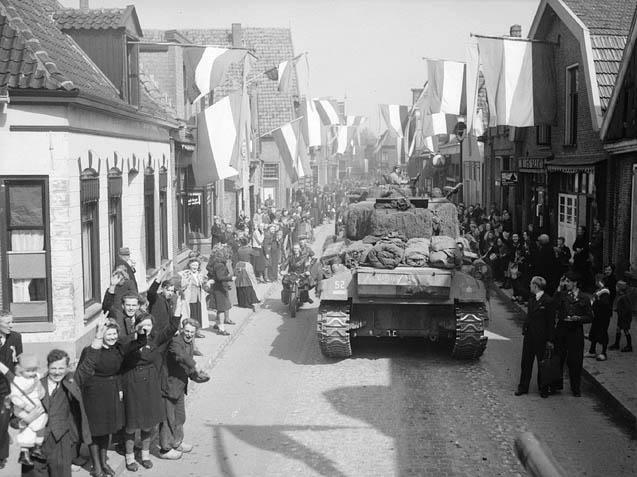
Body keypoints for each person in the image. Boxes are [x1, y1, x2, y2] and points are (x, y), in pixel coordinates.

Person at [77, 314, 147, 477]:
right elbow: (82, 373)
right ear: (101, 334)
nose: (112, 337)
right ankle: (96, 467)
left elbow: (140, 343)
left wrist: (140, 331)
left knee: (107, 429)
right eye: (109, 334)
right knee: (96, 430)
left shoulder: (118, 349)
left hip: (112, 391)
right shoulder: (90, 350)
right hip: (94, 393)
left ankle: (104, 463)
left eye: (115, 334)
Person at [119, 298, 183, 471]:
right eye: (142, 326)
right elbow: (119, 364)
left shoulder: (154, 340)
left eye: (148, 326)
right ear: (136, 326)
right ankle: (130, 457)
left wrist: (178, 309)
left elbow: (171, 329)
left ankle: (145, 455)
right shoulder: (126, 341)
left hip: (150, 386)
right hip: (131, 384)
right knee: (131, 424)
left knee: (148, 423)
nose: (145, 329)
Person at [21, 348, 96, 477]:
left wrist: (98, 339)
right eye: (53, 368)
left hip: (61, 441)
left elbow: (87, 366)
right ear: (47, 367)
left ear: (67, 368)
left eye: (61, 368)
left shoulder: (70, 384)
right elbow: (16, 419)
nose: (57, 372)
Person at [159, 319, 204, 459]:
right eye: (187, 331)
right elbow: (181, 357)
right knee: (167, 419)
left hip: (180, 386)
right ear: (182, 329)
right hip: (169, 386)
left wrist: (195, 376)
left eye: (192, 332)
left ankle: (177, 442)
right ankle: (165, 449)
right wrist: (195, 365)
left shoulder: (190, 342)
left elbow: (185, 366)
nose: (189, 334)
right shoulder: (175, 342)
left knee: (180, 417)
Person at [554, 272, 593, 396]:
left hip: (575, 331)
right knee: (559, 357)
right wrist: (559, 288)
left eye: (568, 282)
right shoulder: (562, 295)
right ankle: (556, 385)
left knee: (575, 360)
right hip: (562, 329)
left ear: (575, 283)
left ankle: (575, 388)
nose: (566, 284)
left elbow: (590, 317)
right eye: (565, 282)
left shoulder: (584, 297)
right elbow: (553, 305)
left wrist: (579, 318)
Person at [515, 276, 555, 398]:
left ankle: (543, 388)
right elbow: (529, 315)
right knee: (526, 363)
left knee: (542, 363)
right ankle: (523, 387)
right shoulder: (532, 298)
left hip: (541, 338)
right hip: (529, 336)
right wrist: (514, 278)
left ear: (536, 286)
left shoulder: (548, 301)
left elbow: (551, 322)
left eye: (531, 284)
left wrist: (550, 340)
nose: (529, 286)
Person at [10, 354, 48, 466]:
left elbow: (40, 387)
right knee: (30, 426)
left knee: (38, 424)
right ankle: (28, 450)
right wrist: (25, 406)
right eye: (28, 371)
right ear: (20, 370)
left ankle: (34, 448)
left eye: (33, 370)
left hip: (35, 405)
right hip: (23, 409)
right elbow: (15, 397)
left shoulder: (35, 377)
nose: (31, 373)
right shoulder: (17, 380)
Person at [0, 311, 22, 469]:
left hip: (6, 388)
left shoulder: (15, 337)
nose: (11, 325)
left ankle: (1, 456)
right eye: (7, 323)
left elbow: (19, 361)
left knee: (2, 421)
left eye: (11, 322)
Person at [206, 245, 234, 336]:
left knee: (219, 307)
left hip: (216, 287)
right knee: (222, 308)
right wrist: (230, 278)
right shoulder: (220, 265)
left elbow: (209, 269)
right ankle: (221, 328)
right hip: (220, 288)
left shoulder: (214, 262)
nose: (229, 257)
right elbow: (220, 277)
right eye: (228, 255)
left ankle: (217, 324)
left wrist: (212, 276)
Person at [586, 274, 612, 361]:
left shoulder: (605, 292)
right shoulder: (599, 290)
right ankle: (592, 351)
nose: (595, 283)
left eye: (596, 281)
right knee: (594, 332)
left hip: (603, 317)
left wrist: (596, 301)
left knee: (603, 333)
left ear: (600, 281)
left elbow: (604, 305)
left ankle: (603, 353)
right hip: (597, 316)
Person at [180, 258, 206, 333]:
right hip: (190, 298)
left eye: (196, 265)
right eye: (193, 265)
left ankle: (197, 331)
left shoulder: (199, 274)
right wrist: (186, 281)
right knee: (191, 315)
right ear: (189, 265)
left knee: (198, 315)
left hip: (198, 298)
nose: (195, 267)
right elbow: (182, 286)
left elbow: (202, 285)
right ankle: (190, 331)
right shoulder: (186, 273)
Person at [610, 281, 633, 352]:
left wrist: (622, 313)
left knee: (626, 330)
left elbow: (627, 308)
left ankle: (629, 346)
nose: (615, 287)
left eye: (617, 286)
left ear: (620, 288)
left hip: (625, 317)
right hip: (621, 316)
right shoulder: (621, 295)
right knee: (618, 329)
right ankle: (617, 344)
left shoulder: (624, 297)